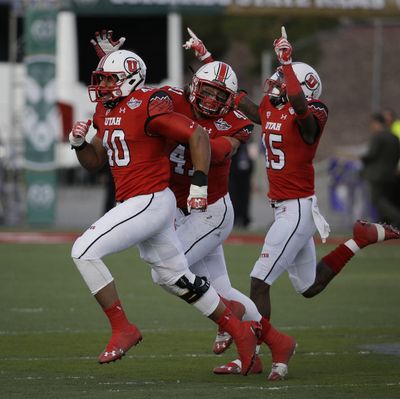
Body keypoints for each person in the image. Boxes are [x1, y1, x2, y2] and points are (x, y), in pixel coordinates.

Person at [184, 26, 400, 379]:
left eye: (281, 81)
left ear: (300, 85)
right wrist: (208, 59)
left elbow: (300, 107)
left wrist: (287, 63)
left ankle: (252, 354)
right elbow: (237, 99)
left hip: (297, 207)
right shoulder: (271, 106)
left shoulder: (314, 113)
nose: (273, 87)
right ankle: (360, 238)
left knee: (258, 281)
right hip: (285, 207)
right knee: (309, 285)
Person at [90, 30, 297, 381]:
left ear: (231, 99)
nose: (213, 100)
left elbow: (218, 149)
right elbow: (131, 92)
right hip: (185, 208)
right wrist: (109, 62)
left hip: (211, 210)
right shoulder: (170, 98)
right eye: (208, 90)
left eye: (221, 95)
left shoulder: (234, 123)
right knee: (221, 289)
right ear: (193, 85)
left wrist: (194, 132)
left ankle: (234, 325)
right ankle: (272, 344)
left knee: (165, 272)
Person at [360, 113, 400, 227]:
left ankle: (396, 217)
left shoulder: (378, 136)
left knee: (377, 200)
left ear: (377, 123)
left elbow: (371, 155)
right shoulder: (394, 137)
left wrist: (362, 158)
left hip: (377, 175)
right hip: (392, 175)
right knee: (387, 199)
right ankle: (384, 225)